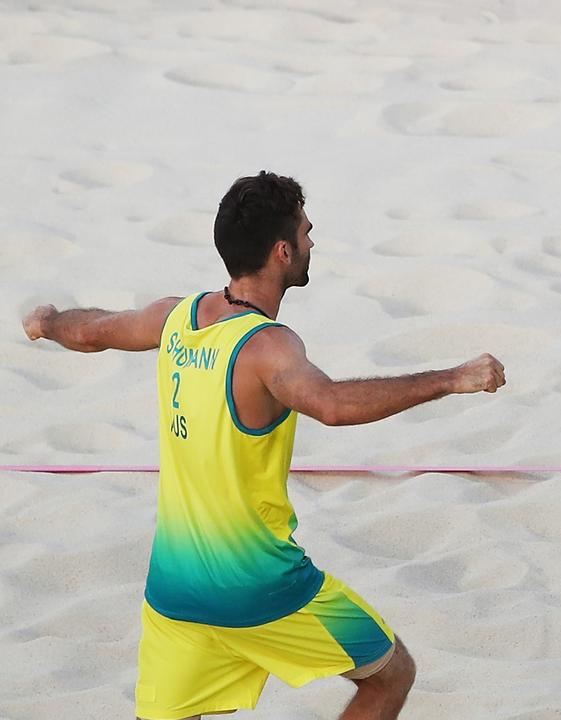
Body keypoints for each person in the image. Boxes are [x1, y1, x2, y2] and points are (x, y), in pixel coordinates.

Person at [21, 171, 507, 720]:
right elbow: (330, 404)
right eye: (305, 232)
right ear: (282, 252)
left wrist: (48, 321)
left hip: (174, 594)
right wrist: (451, 378)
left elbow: (93, 331)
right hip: (260, 587)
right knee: (390, 676)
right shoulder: (269, 346)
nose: (311, 242)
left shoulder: (175, 316)